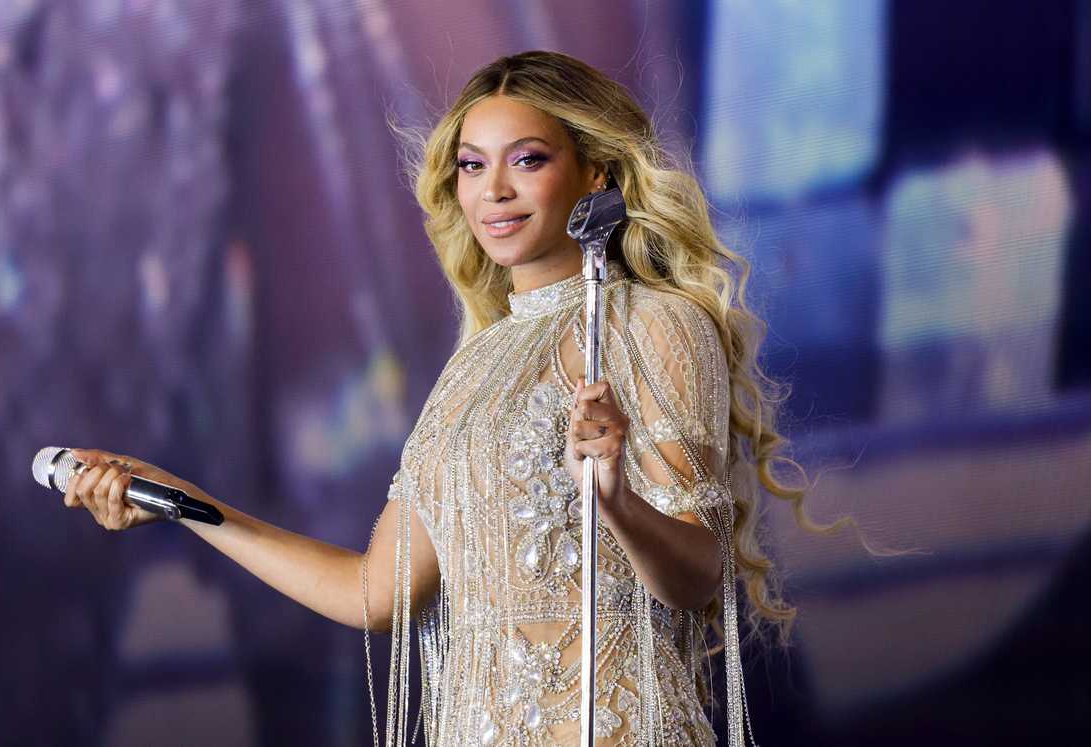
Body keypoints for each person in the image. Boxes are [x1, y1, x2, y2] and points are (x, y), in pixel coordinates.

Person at [65, 50, 818, 746]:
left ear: (595, 174)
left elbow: (697, 574)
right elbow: (375, 591)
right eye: (471, 165)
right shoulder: (473, 365)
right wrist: (181, 500)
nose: (493, 191)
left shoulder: (654, 322)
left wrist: (617, 500)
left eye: (527, 160)